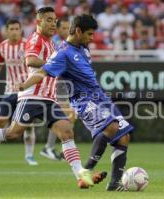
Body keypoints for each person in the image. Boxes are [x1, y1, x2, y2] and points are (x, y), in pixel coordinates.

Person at [0, 7, 105, 189]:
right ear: (38, 22)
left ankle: (81, 176)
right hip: (32, 96)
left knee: (67, 132)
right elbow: (29, 60)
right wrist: (56, 63)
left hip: (49, 98)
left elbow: (56, 68)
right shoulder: (35, 39)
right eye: (48, 20)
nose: (53, 23)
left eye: (55, 20)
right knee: (13, 133)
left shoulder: (53, 44)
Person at [18, 14, 133, 191]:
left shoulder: (84, 49)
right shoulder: (63, 53)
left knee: (124, 137)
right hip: (84, 100)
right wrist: (25, 84)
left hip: (100, 97)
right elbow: (43, 71)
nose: (92, 38)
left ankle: (114, 185)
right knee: (112, 127)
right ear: (78, 31)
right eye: (89, 34)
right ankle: (85, 173)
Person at [0, 19, 38, 166]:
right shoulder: (2, 47)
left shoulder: (28, 45)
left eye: (17, 28)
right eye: (12, 29)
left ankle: (29, 156)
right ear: (7, 31)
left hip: (27, 91)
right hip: (9, 90)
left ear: (21, 30)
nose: (15, 31)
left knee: (28, 124)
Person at [40, 17, 71, 161]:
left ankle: (59, 149)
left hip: (66, 83)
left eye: (68, 28)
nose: (66, 30)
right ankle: (49, 147)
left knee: (70, 117)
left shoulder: (68, 43)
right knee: (63, 115)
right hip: (56, 83)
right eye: (64, 28)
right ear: (58, 29)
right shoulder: (55, 43)